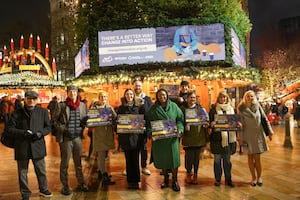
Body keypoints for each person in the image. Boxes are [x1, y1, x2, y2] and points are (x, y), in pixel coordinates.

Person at [5, 90, 53, 199]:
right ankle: (25, 193)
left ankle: (43, 189)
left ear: (37, 100)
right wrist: (23, 133)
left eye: (33, 99)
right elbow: (9, 129)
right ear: (25, 100)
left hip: (38, 145)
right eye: (29, 98)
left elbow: (48, 127)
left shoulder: (43, 112)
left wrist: (41, 133)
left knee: (41, 170)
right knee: (22, 172)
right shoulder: (17, 113)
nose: (31, 101)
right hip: (22, 146)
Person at [52, 85, 89, 195]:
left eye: (74, 92)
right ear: (67, 93)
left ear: (77, 93)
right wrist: (64, 129)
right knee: (65, 163)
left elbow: (83, 120)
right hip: (66, 139)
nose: (72, 93)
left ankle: (81, 183)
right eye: (70, 92)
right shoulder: (61, 105)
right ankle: (65, 186)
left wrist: (85, 123)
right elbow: (54, 121)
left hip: (77, 138)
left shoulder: (82, 105)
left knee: (78, 162)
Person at [145, 88, 184, 192]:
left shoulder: (174, 107)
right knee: (163, 160)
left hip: (172, 139)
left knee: (174, 160)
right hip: (160, 140)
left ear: (167, 95)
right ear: (157, 97)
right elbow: (148, 124)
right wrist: (150, 134)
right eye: (160, 95)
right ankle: (166, 179)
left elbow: (180, 119)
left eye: (164, 95)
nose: (162, 97)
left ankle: (175, 180)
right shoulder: (153, 109)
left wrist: (180, 129)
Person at [237, 90, 274, 187]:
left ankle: (259, 177)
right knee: (250, 157)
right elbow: (239, 124)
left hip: (258, 134)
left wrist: (269, 132)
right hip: (247, 135)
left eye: (252, 96)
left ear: (254, 97)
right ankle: (253, 177)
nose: (250, 98)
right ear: (245, 97)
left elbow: (264, 119)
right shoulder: (241, 109)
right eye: (248, 96)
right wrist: (240, 138)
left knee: (257, 158)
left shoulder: (258, 106)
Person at [117, 88, 145, 189]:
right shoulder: (121, 108)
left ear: (134, 96)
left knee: (136, 159)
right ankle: (130, 180)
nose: (129, 96)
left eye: (131, 95)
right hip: (125, 138)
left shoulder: (139, 107)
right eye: (127, 94)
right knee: (128, 160)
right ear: (125, 96)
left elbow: (143, 120)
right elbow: (118, 121)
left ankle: (136, 180)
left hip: (136, 138)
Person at [208, 91, 237, 187]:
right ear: (218, 99)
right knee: (217, 161)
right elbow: (209, 122)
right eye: (221, 97)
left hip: (229, 140)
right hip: (217, 139)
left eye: (224, 97)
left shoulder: (231, 109)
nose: (223, 99)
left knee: (227, 161)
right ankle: (218, 180)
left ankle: (228, 179)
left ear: (227, 98)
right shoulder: (213, 110)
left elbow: (234, 122)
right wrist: (211, 124)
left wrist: (237, 124)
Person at [180, 91, 209, 184]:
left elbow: (206, 120)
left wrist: (206, 124)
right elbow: (179, 120)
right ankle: (188, 173)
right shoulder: (182, 109)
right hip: (188, 137)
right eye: (190, 97)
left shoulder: (201, 109)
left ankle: (196, 174)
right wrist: (184, 125)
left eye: (194, 98)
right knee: (189, 157)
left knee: (197, 158)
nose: (192, 99)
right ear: (187, 98)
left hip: (198, 136)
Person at [90, 91, 117, 185]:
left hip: (107, 134)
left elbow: (115, 118)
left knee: (104, 154)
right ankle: (104, 173)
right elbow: (90, 121)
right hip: (99, 134)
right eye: (101, 97)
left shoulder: (109, 108)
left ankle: (100, 171)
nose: (103, 98)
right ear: (98, 98)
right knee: (101, 154)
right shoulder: (94, 108)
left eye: (105, 97)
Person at [133, 79, 152, 175]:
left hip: (143, 128)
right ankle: (132, 167)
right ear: (133, 87)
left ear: (142, 87)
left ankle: (144, 166)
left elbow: (149, 112)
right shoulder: (129, 97)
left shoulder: (147, 99)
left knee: (143, 148)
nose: (138, 87)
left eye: (139, 86)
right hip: (132, 129)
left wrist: (143, 103)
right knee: (132, 148)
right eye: (136, 86)